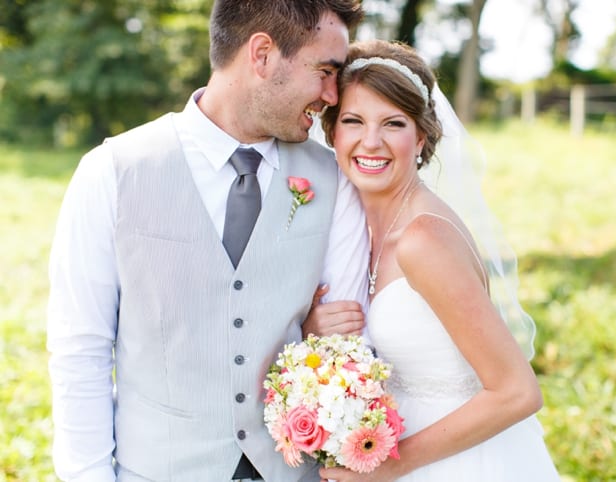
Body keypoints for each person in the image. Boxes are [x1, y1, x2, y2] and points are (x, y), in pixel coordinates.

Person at [46, 1, 368, 481]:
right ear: (261, 55)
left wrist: (307, 334)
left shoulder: (335, 178)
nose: (331, 95)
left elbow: (350, 338)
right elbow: (81, 351)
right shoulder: (112, 172)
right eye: (324, 71)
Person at [316, 39, 560, 481]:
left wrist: (393, 464)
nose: (371, 142)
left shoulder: (422, 239)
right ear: (332, 131)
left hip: (459, 462)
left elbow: (518, 392)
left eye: (393, 123)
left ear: (422, 136)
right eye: (353, 121)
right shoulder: (354, 225)